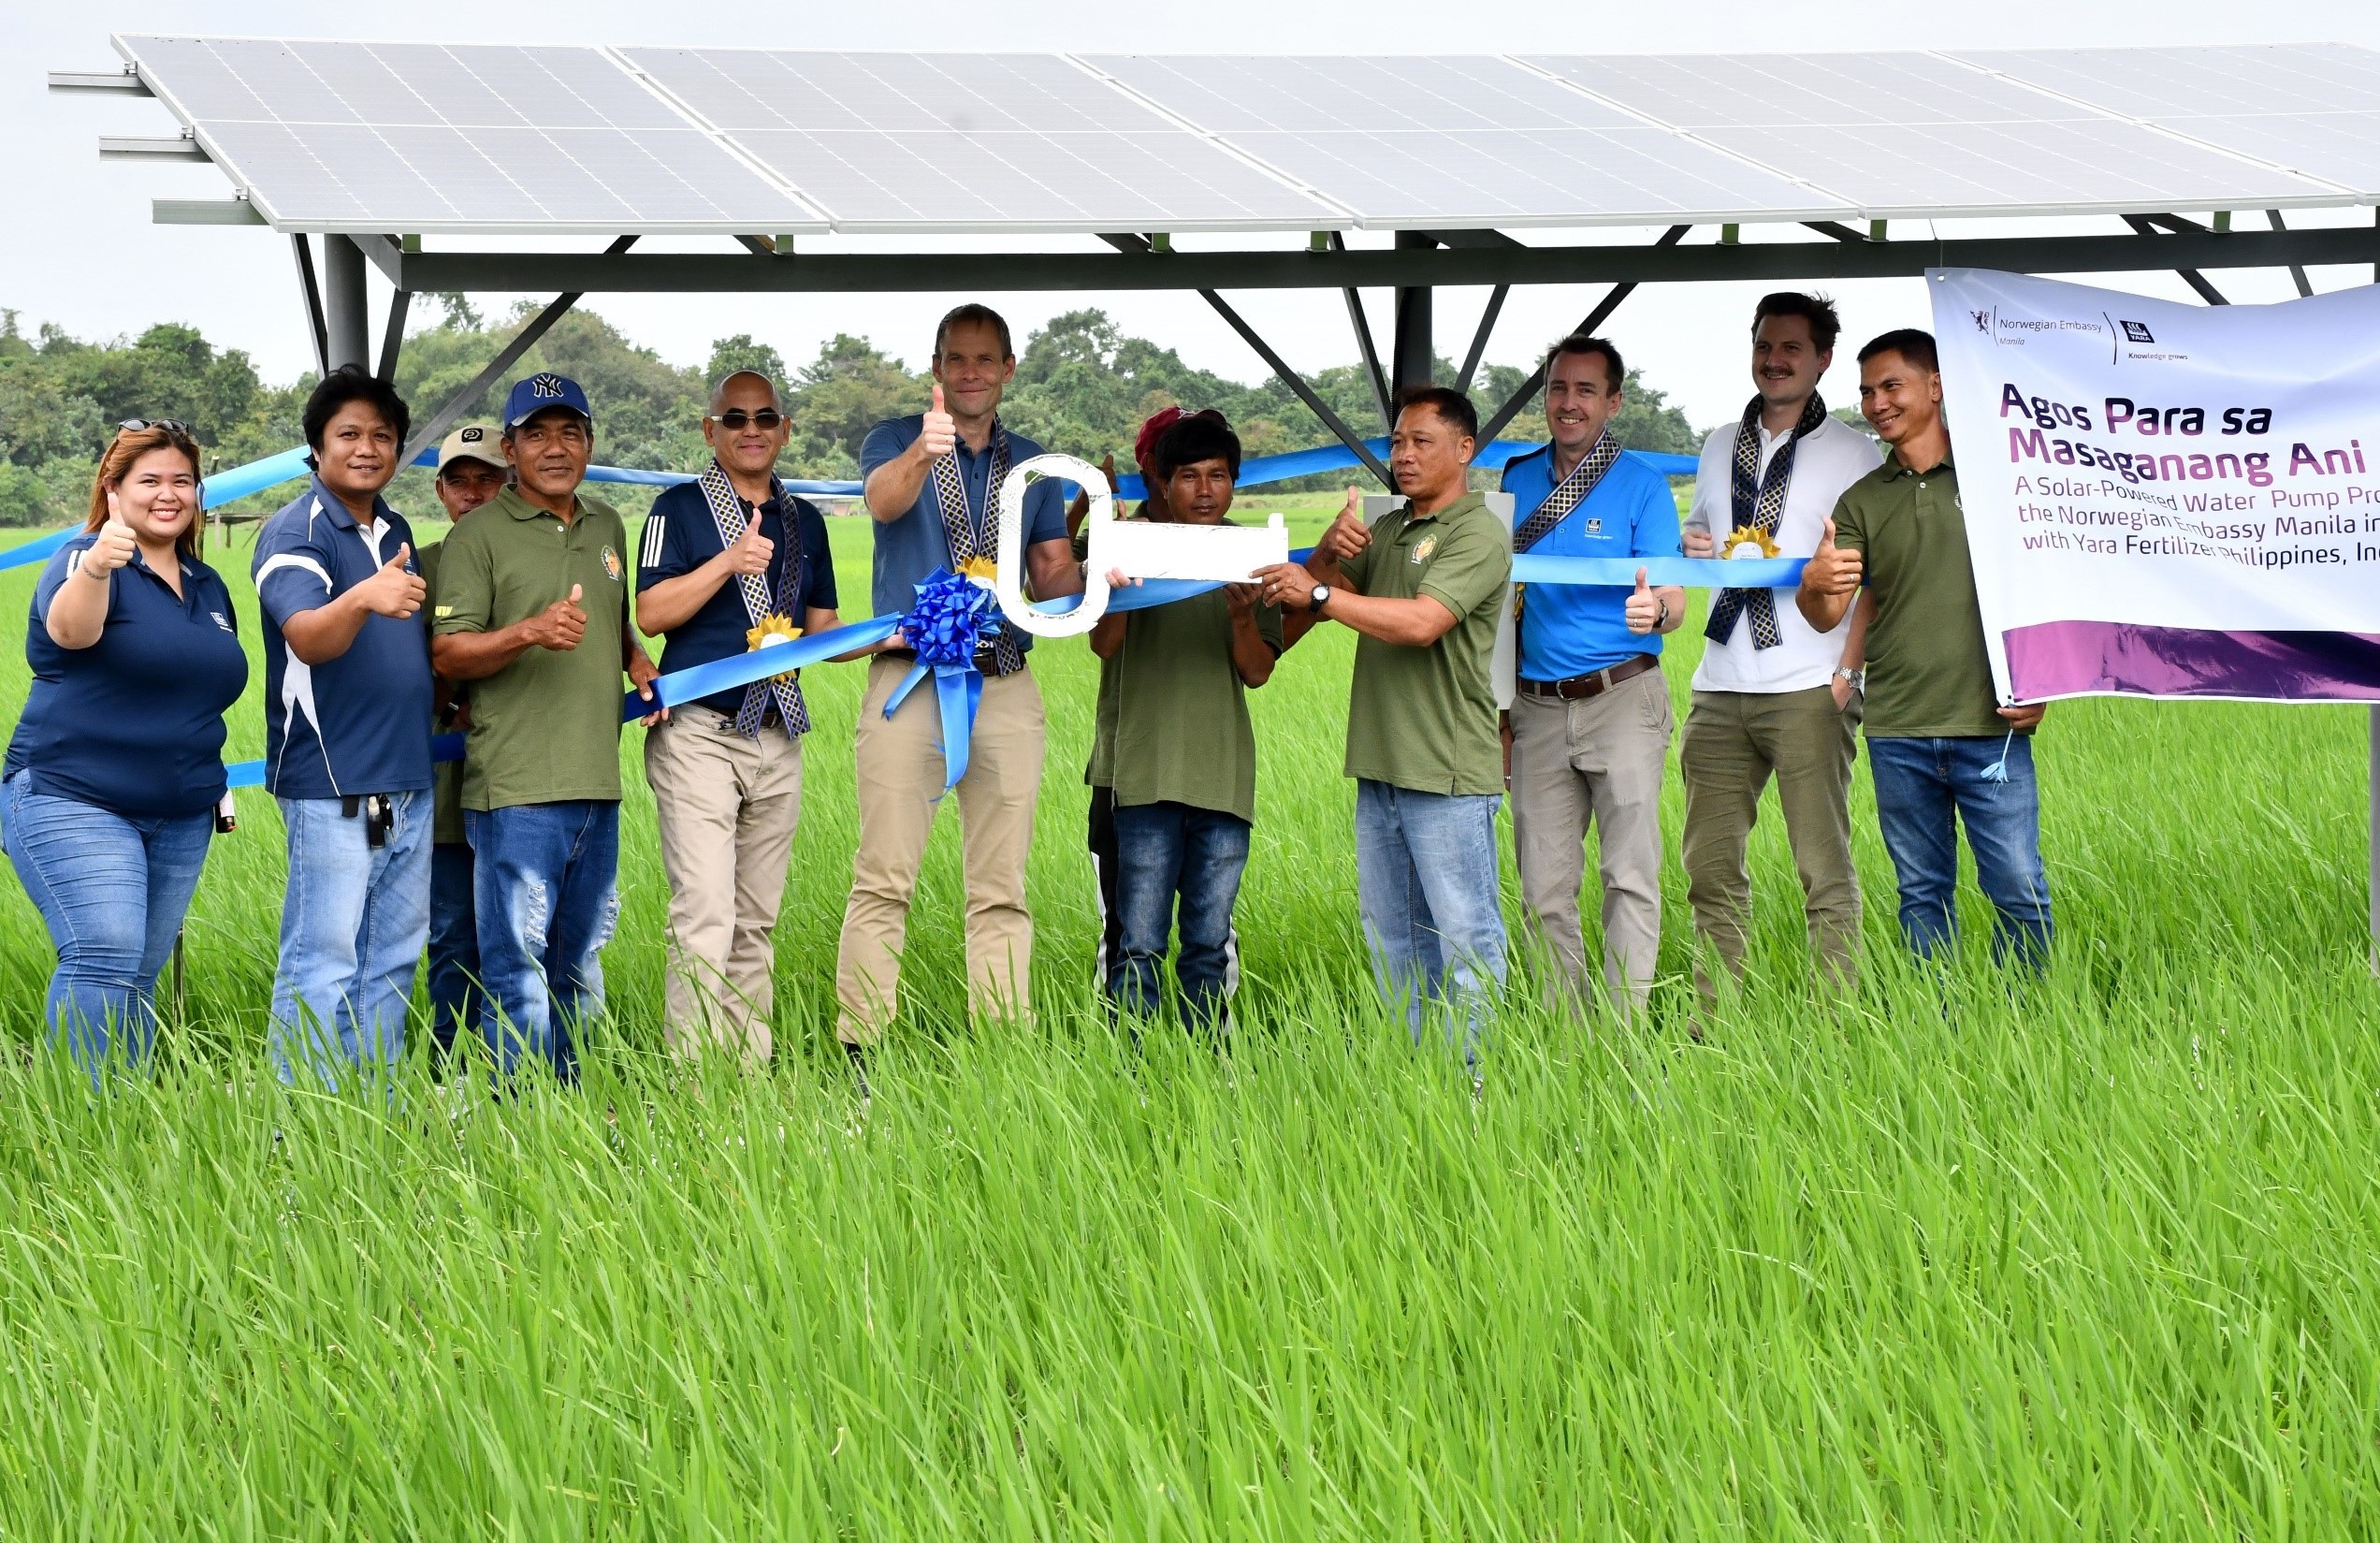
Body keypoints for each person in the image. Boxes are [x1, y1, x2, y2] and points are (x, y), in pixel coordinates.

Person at [836, 303, 1082, 1073]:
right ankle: (860, 1049)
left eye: (985, 359)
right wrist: (923, 449)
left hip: (1005, 681)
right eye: (956, 358)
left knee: (1002, 882)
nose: (970, 372)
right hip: (907, 680)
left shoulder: (1034, 461)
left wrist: (1096, 560)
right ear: (936, 367)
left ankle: (1003, 1045)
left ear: (1008, 369)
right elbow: (883, 502)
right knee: (883, 874)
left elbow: (1049, 571)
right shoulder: (893, 437)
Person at [1255, 387, 1512, 1063]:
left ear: (1464, 449)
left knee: (1465, 938)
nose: (1402, 454)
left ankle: (1477, 1084)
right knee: (1393, 939)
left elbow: (1423, 624)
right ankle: (1418, 1073)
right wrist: (1330, 551)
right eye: (1397, 441)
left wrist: (1321, 590)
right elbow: (1315, 597)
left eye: (1421, 441)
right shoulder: (1394, 529)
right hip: (1381, 772)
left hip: (1447, 771)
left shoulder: (1476, 530)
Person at [429, 374, 663, 1081]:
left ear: (590, 442)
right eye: (537, 433)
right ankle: (520, 1119)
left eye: (570, 432)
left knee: (580, 961)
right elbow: (448, 650)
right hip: (516, 789)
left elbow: (612, 614)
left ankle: (573, 1112)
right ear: (512, 447)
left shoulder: (607, 525)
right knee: (518, 966)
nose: (555, 448)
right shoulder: (478, 535)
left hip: (598, 783)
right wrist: (528, 630)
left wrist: (636, 657)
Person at [0, 423, 248, 1077]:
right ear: (113, 491)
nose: (168, 494)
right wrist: (99, 564)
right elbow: (70, 632)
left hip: (181, 809)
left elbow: (206, 688)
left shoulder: (207, 584)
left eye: (182, 481)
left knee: (139, 968)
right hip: (73, 793)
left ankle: (122, 1112)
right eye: (150, 481)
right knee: (105, 947)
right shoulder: (85, 557)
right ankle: (75, 1118)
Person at [1797, 328, 2052, 966]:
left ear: (1936, 387)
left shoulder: (1998, 479)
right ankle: (1938, 1030)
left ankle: (2025, 1026)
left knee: (2019, 890)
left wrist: (2042, 682)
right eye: (1866, 391)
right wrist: (1815, 582)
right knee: (1921, 894)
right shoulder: (1861, 500)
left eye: (1891, 386)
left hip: (1989, 727)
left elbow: (2044, 583)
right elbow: (1829, 610)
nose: (1877, 402)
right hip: (1897, 730)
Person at [635, 370, 839, 1066]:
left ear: (785, 429)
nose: (750, 430)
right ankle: (694, 1080)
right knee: (704, 917)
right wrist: (727, 561)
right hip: (699, 734)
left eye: (764, 418)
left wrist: (906, 631)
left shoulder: (805, 521)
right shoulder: (678, 508)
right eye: (734, 418)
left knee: (755, 921)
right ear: (709, 430)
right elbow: (652, 613)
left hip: (778, 735)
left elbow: (824, 629)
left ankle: (746, 1079)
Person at [1679, 294, 1881, 990]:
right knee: (1708, 867)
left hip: (1808, 687)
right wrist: (1690, 544)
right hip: (1718, 684)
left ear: (1823, 359)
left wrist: (1849, 673)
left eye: (1793, 348)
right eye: (1766, 345)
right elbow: (1697, 539)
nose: (1776, 359)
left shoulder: (1857, 454)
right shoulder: (1714, 444)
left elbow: (1877, 579)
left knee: (1822, 867)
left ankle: (1837, 1015)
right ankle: (1716, 1011)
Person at [252, 365, 432, 1088]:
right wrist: (365, 594)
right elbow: (307, 636)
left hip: (399, 780)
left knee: (390, 950)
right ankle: (299, 1128)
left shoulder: (395, 527)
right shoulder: (294, 531)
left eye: (381, 435)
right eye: (349, 434)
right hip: (332, 781)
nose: (367, 447)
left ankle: (372, 1106)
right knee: (323, 953)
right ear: (316, 449)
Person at [1497, 336, 1685, 1018]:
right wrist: (1501, 711)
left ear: (1613, 402)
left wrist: (1655, 609)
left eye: (1584, 391)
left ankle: (1625, 1028)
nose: (1568, 404)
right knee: (1543, 885)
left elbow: (1674, 595)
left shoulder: (1641, 484)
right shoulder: (1515, 480)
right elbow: (1495, 605)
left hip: (1621, 696)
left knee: (1628, 875)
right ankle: (1564, 1029)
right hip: (1537, 706)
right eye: (1557, 388)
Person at [1086, 411, 1281, 1029]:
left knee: (1208, 940)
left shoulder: (1251, 554)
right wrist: (1114, 587)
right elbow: (1104, 645)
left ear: (1234, 485)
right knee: (1137, 942)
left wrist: (1245, 616)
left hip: (1222, 779)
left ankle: (1210, 1064)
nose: (1204, 490)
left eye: (1218, 476)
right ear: (1161, 484)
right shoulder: (1131, 545)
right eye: (1189, 476)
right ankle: (1132, 1071)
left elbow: (1256, 671)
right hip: (1143, 777)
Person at [1082, 405, 1189, 996]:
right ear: (1150, 469)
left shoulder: (1230, 547)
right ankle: (1128, 1063)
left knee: (1209, 922)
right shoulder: (1115, 542)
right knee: (1124, 925)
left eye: (1207, 465)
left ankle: (1213, 1050)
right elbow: (1056, 582)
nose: (1190, 479)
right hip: (1124, 767)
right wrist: (1096, 507)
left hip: (1208, 772)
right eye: (1175, 460)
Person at [416, 424, 508, 1067]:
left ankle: (528, 1065)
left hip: (527, 776)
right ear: (441, 490)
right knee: (451, 931)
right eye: (460, 481)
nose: (473, 494)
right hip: (447, 785)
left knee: (531, 933)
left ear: (510, 483)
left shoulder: (534, 558)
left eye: (487, 479)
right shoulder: (420, 566)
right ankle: (451, 1062)